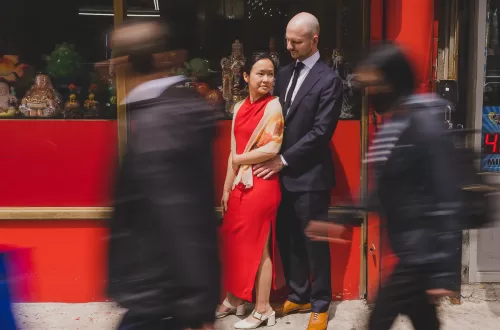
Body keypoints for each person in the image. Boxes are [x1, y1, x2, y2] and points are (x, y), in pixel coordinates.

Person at [306, 43, 463, 330]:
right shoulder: (396, 122)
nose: (369, 92)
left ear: (393, 81)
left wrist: (445, 274)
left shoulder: (424, 124)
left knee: (378, 320)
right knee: (424, 321)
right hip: (409, 248)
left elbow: (447, 196)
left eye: (374, 84)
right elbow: (382, 187)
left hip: (422, 254)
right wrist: (342, 218)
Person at [106, 19, 220, 330]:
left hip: (162, 300)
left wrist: (196, 308)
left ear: (124, 63)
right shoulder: (160, 111)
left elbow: (181, 217)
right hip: (160, 296)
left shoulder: (161, 120)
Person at [253, 12, 343, 330]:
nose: (289, 46)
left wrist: (283, 160)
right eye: (288, 39)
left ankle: (320, 305)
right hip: (283, 178)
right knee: (288, 239)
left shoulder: (329, 80)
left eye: (296, 41)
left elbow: (321, 133)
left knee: (314, 243)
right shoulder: (286, 72)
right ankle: (300, 293)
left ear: (314, 40)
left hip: (310, 177)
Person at [217, 53, 284, 329]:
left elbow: (272, 148)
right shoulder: (238, 107)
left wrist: (240, 159)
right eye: (260, 73)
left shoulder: (273, 107)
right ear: (245, 76)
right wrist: (225, 187)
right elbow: (234, 148)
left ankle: (263, 308)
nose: (266, 79)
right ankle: (236, 298)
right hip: (240, 185)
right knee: (237, 243)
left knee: (261, 247)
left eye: (270, 74)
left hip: (262, 185)